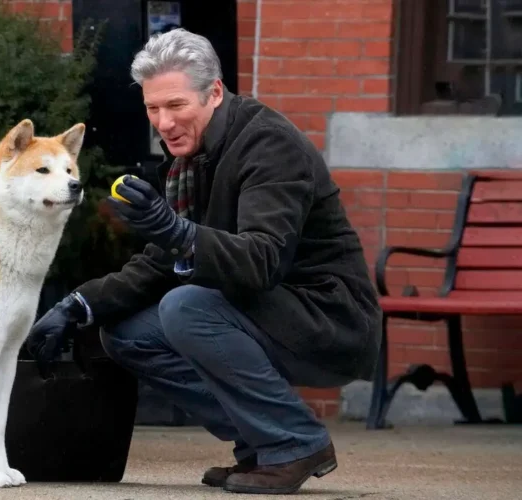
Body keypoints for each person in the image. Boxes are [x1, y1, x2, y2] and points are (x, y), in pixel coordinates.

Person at [24, 28, 382, 495]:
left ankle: (294, 441)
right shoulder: (194, 157)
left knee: (187, 307)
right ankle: (260, 441)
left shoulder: (268, 145)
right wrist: (78, 305)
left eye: (176, 106)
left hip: (329, 321)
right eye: (153, 108)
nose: (164, 122)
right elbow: (160, 260)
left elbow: (260, 262)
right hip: (270, 313)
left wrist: (176, 231)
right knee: (126, 332)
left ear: (214, 92)